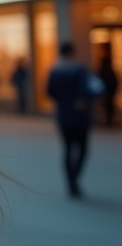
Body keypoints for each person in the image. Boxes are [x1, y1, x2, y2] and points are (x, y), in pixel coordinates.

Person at [46, 42, 101, 197]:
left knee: (68, 149)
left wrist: (63, 101)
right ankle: (74, 180)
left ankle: (70, 182)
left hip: (63, 116)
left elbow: (50, 92)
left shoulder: (55, 71)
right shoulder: (80, 70)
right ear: (72, 52)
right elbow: (91, 89)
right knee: (82, 150)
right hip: (80, 117)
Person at [99, 45, 118, 128]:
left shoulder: (102, 71)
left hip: (106, 91)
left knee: (107, 105)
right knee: (109, 105)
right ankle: (109, 120)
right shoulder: (109, 71)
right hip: (109, 91)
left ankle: (108, 120)